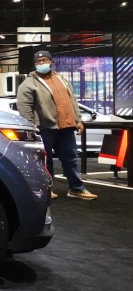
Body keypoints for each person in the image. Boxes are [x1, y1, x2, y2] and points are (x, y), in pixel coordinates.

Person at [16, 50, 98, 201]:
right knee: (45, 161)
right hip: (44, 128)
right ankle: (47, 189)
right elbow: (24, 106)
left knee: (71, 159)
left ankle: (76, 189)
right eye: (38, 61)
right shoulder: (29, 83)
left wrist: (78, 120)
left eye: (45, 60)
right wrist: (30, 126)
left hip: (66, 126)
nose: (42, 63)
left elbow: (72, 100)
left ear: (51, 62)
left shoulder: (61, 79)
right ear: (35, 64)